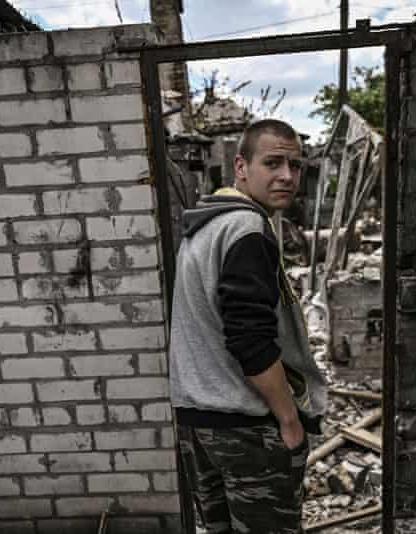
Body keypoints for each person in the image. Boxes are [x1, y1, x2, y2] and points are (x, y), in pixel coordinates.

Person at [169, 118, 327, 534]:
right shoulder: (248, 230)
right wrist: (289, 420)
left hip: (198, 424)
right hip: (246, 429)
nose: (287, 177)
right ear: (242, 167)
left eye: (296, 166)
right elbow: (249, 339)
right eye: (273, 163)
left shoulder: (204, 226)